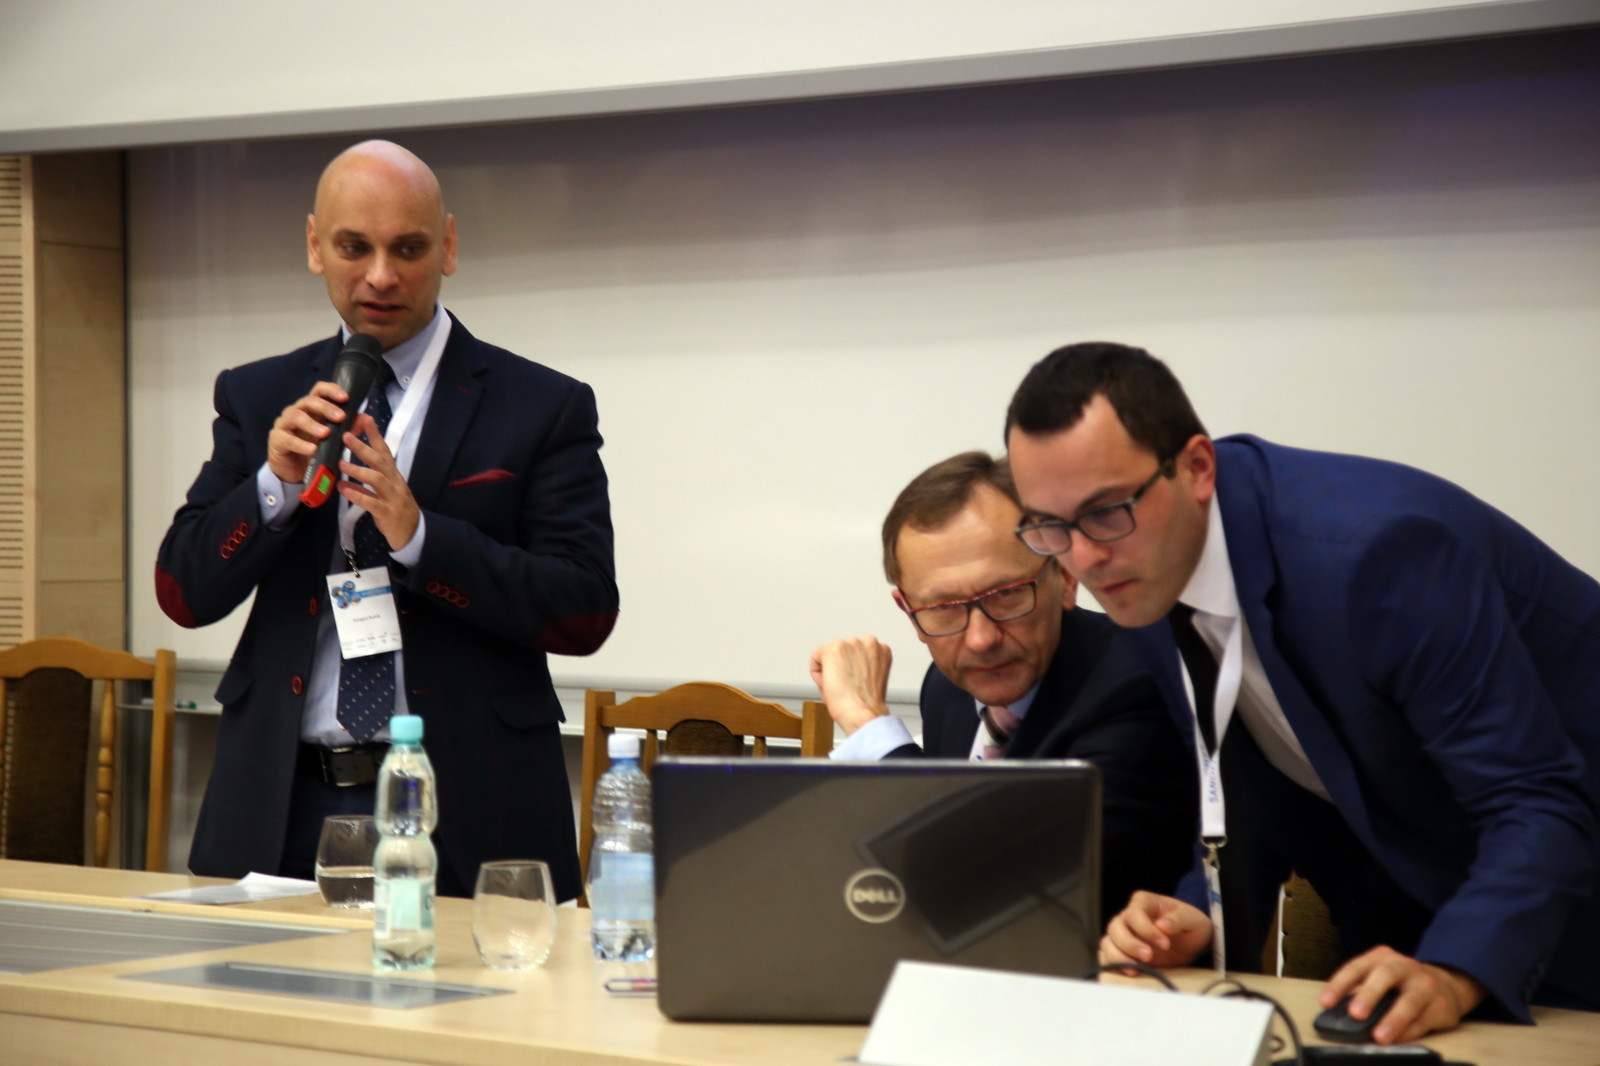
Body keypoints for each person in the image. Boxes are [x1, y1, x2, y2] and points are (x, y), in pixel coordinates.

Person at [1003, 341, 1600, 1043]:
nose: (1084, 558)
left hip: (1562, 893)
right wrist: (1199, 910)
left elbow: (1537, 796)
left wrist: (1456, 965)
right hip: (1428, 905)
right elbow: (1253, 771)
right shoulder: (1145, 571)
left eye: (1106, 511)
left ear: (1197, 468)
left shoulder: (1376, 554)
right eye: (1050, 525)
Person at [155, 140, 617, 901]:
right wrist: (273, 486)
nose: (380, 276)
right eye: (353, 248)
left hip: (468, 805)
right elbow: (184, 592)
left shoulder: (542, 405)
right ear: (315, 246)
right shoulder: (258, 394)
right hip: (283, 801)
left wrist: (421, 538)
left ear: (449, 247)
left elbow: (584, 609)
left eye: (408, 248)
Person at [810, 451, 1195, 919]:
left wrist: (868, 725)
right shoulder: (947, 687)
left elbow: (995, 887)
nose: (981, 639)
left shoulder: (1137, 683)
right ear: (908, 612)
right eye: (943, 608)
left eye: (1007, 594)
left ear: (1065, 577)